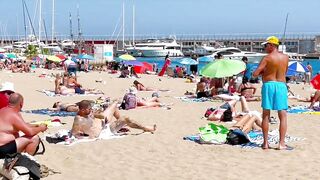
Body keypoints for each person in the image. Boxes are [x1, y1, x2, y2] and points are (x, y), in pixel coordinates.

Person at [252, 36, 290, 150]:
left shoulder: (267, 58)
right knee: (282, 115)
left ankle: (265, 143)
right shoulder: (286, 57)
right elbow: (285, 71)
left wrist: (263, 71)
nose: (264, 47)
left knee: (266, 115)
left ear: (272, 45)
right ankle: (281, 143)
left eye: (266, 45)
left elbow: (255, 73)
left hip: (269, 85)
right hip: (281, 85)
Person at [71, 100, 156, 138]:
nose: (90, 110)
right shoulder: (78, 119)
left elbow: (96, 116)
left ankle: (123, 124)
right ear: (82, 110)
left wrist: (99, 115)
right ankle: (145, 128)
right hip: (105, 130)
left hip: (102, 123)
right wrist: (86, 135)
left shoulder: (87, 113)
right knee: (126, 118)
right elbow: (75, 133)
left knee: (115, 104)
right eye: (89, 109)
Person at [0, 93, 47, 158]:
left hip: (4, 147)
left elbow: (22, 125)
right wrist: (41, 128)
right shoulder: (14, 114)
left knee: (21, 134)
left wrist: (36, 125)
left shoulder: (2, 110)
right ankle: (26, 160)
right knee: (34, 138)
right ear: (21, 104)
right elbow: (30, 132)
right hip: (3, 149)